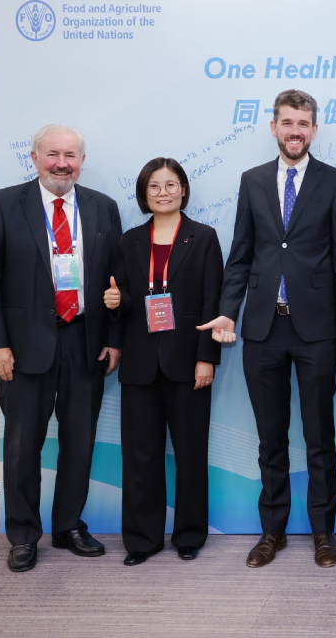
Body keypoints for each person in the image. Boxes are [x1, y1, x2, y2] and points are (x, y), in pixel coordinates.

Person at [197, 89, 336, 569]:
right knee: (270, 438)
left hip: (318, 330)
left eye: (303, 123)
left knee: (319, 437)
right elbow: (241, 255)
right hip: (263, 329)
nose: (295, 131)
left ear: (314, 129)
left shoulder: (335, 181)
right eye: (287, 122)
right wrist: (229, 310)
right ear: (273, 127)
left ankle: (323, 532)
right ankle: (272, 532)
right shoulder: (252, 180)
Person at [0, 124, 122, 572]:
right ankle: (23, 534)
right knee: (22, 446)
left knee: (79, 441)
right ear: (34, 158)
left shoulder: (103, 207)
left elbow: (117, 279)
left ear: (81, 162)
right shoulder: (2, 204)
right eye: (53, 154)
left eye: (70, 156)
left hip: (85, 341)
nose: (62, 163)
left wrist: (114, 338)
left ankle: (69, 525)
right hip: (22, 347)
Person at [103, 158, 222, 566]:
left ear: (184, 190)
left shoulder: (203, 238)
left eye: (171, 185)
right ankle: (142, 539)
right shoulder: (130, 240)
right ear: (144, 193)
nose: (163, 192)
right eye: (154, 186)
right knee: (140, 456)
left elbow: (213, 301)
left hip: (188, 363)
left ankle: (189, 535)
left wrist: (207, 357)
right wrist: (116, 302)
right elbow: (124, 298)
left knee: (191, 454)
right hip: (140, 363)